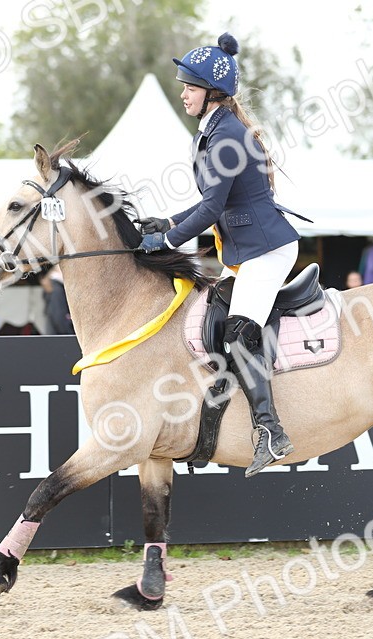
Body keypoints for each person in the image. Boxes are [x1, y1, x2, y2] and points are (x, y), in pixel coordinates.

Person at [136, 32, 301, 477]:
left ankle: (270, 430)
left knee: (236, 333)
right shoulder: (213, 128)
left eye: (189, 86)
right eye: (184, 85)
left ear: (212, 91)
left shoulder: (225, 133)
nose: (183, 93)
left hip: (267, 252)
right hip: (247, 250)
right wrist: (168, 223)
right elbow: (214, 200)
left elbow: (212, 207)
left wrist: (168, 243)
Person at [41, 265, 74, 335]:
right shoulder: (58, 291)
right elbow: (59, 317)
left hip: (55, 337)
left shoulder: (54, 289)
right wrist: (70, 334)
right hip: (61, 338)